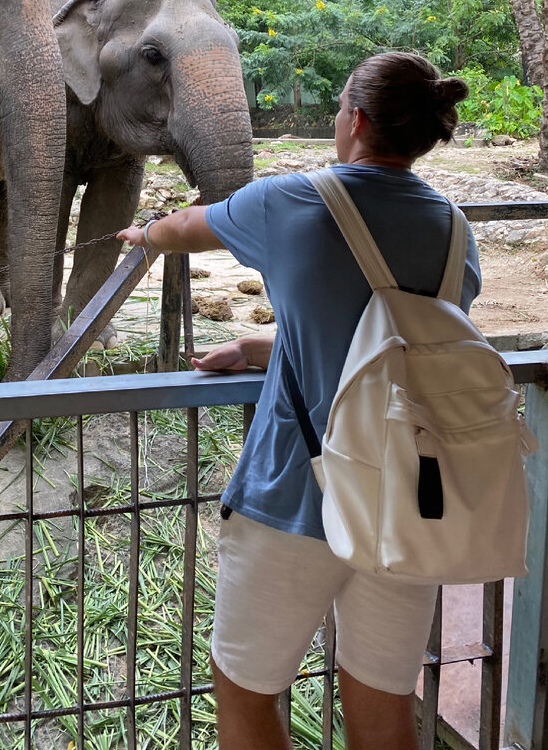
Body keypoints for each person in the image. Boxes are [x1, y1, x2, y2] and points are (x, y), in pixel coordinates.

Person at [116, 51, 479, 750]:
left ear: (356, 120)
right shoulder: (454, 232)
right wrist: (263, 349)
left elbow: (186, 230)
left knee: (246, 692)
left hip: (294, 498)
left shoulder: (294, 200)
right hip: (408, 502)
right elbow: (387, 343)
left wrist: (145, 232)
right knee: (383, 710)